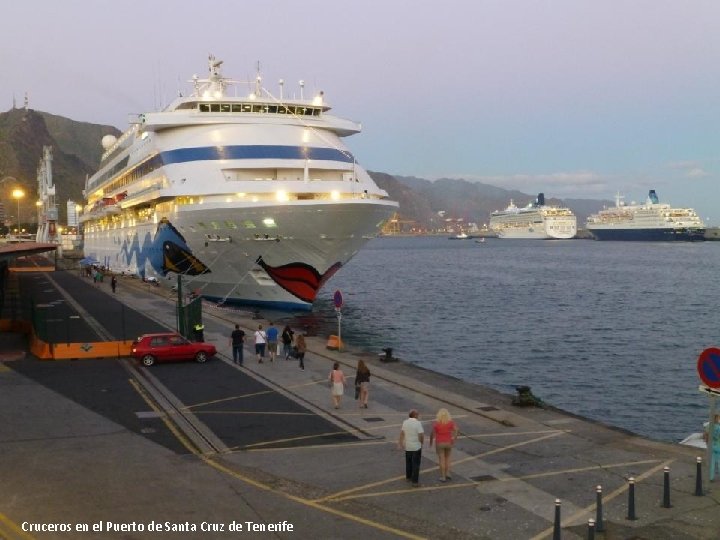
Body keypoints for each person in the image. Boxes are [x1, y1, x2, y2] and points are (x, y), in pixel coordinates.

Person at [429, 408, 459, 482]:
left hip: (439, 443)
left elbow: (432, 434)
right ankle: (448, 473)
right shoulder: (450, 422)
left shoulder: (436, 424)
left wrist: (430, 442)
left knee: (441, 459)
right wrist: (454, 438)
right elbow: (456, 429)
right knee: (448, 458)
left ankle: (443, 477)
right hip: (448, 442)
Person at [398, 409, 424, 487]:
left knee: (408, 462)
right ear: (415, 415)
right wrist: (421, 442)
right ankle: (415, 481)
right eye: (417, 414)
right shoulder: (418, 423)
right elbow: (421, 435)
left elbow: (402, 433)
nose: (418, 416)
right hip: (416, 446)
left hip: (408, 446)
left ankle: (408, 477)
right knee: (416, 463)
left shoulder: (405, 422)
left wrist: (400, 443)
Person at [705, 413, 720, 481]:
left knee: (712, 463)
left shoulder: (708, 426)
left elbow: (706, 436)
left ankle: (711, 478)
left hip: (711, 445)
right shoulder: (719, 427)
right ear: (717, 419)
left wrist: (707, 444)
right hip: (718, 445)